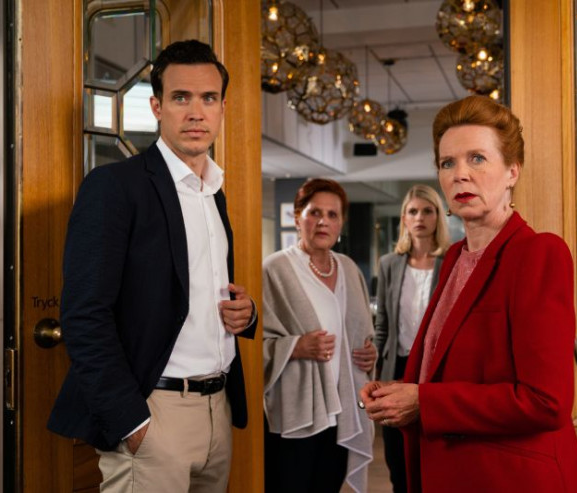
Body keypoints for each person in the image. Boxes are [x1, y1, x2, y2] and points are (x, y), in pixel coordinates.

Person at [47, 40, 257, 492]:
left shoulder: (214, 192)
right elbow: (84, 314)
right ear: (157, 106)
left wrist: (247, 313)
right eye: (181, 98)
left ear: (223, 108)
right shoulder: (114, 186)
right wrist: (132, 422)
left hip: (217, 407)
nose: (196, 113)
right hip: (154, 412)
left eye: (209, 98)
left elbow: (189, 293)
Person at [360, 95, 577, 493]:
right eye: (447, 163)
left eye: (477, 159)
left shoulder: (539, 252)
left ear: (512, 171)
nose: (460, 175)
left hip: (510, 480)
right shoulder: (453, 257)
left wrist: (424, 401)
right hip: (449, 471)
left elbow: (546, 402)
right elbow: (445, 367)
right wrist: (398, 391)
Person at [263, 178, 376, 493]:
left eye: (332, 214)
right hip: (295, 413)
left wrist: (370, 354)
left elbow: (361, 334)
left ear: (341, 224)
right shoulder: (274, 269)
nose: (323, 221)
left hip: (342, 410)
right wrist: (296, 347)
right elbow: (249, 347)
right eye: (314, 212)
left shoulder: (349, 269)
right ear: (297, 217)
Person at [374, 184, 449, 493]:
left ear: (438, 217)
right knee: (397, 459)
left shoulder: (452, 261)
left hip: (435, 372)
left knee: (433, 455)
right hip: (397, 369)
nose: (420, 218)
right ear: (404, 218)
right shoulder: (389, 264)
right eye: (413, 211)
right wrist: (377, 375)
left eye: (427, 211)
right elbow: (382, 325)